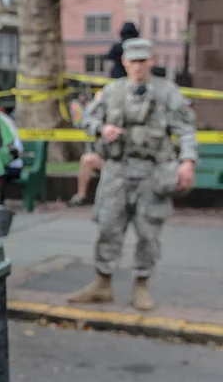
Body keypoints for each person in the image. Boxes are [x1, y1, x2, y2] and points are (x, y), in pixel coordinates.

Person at [69, 38, 197, 311]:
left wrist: (187, 162)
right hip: (116, 170)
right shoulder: (112, 92)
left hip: (152, 172)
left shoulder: (167, 93)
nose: (138, 66)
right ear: (124, 62)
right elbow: (87, 120)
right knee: (107, 226)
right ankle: (102, 283)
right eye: (133, 61)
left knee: (148, 232)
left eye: (143, 61)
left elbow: (186, 130)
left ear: (151, 61)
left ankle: (142, 285)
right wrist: (102, 129)